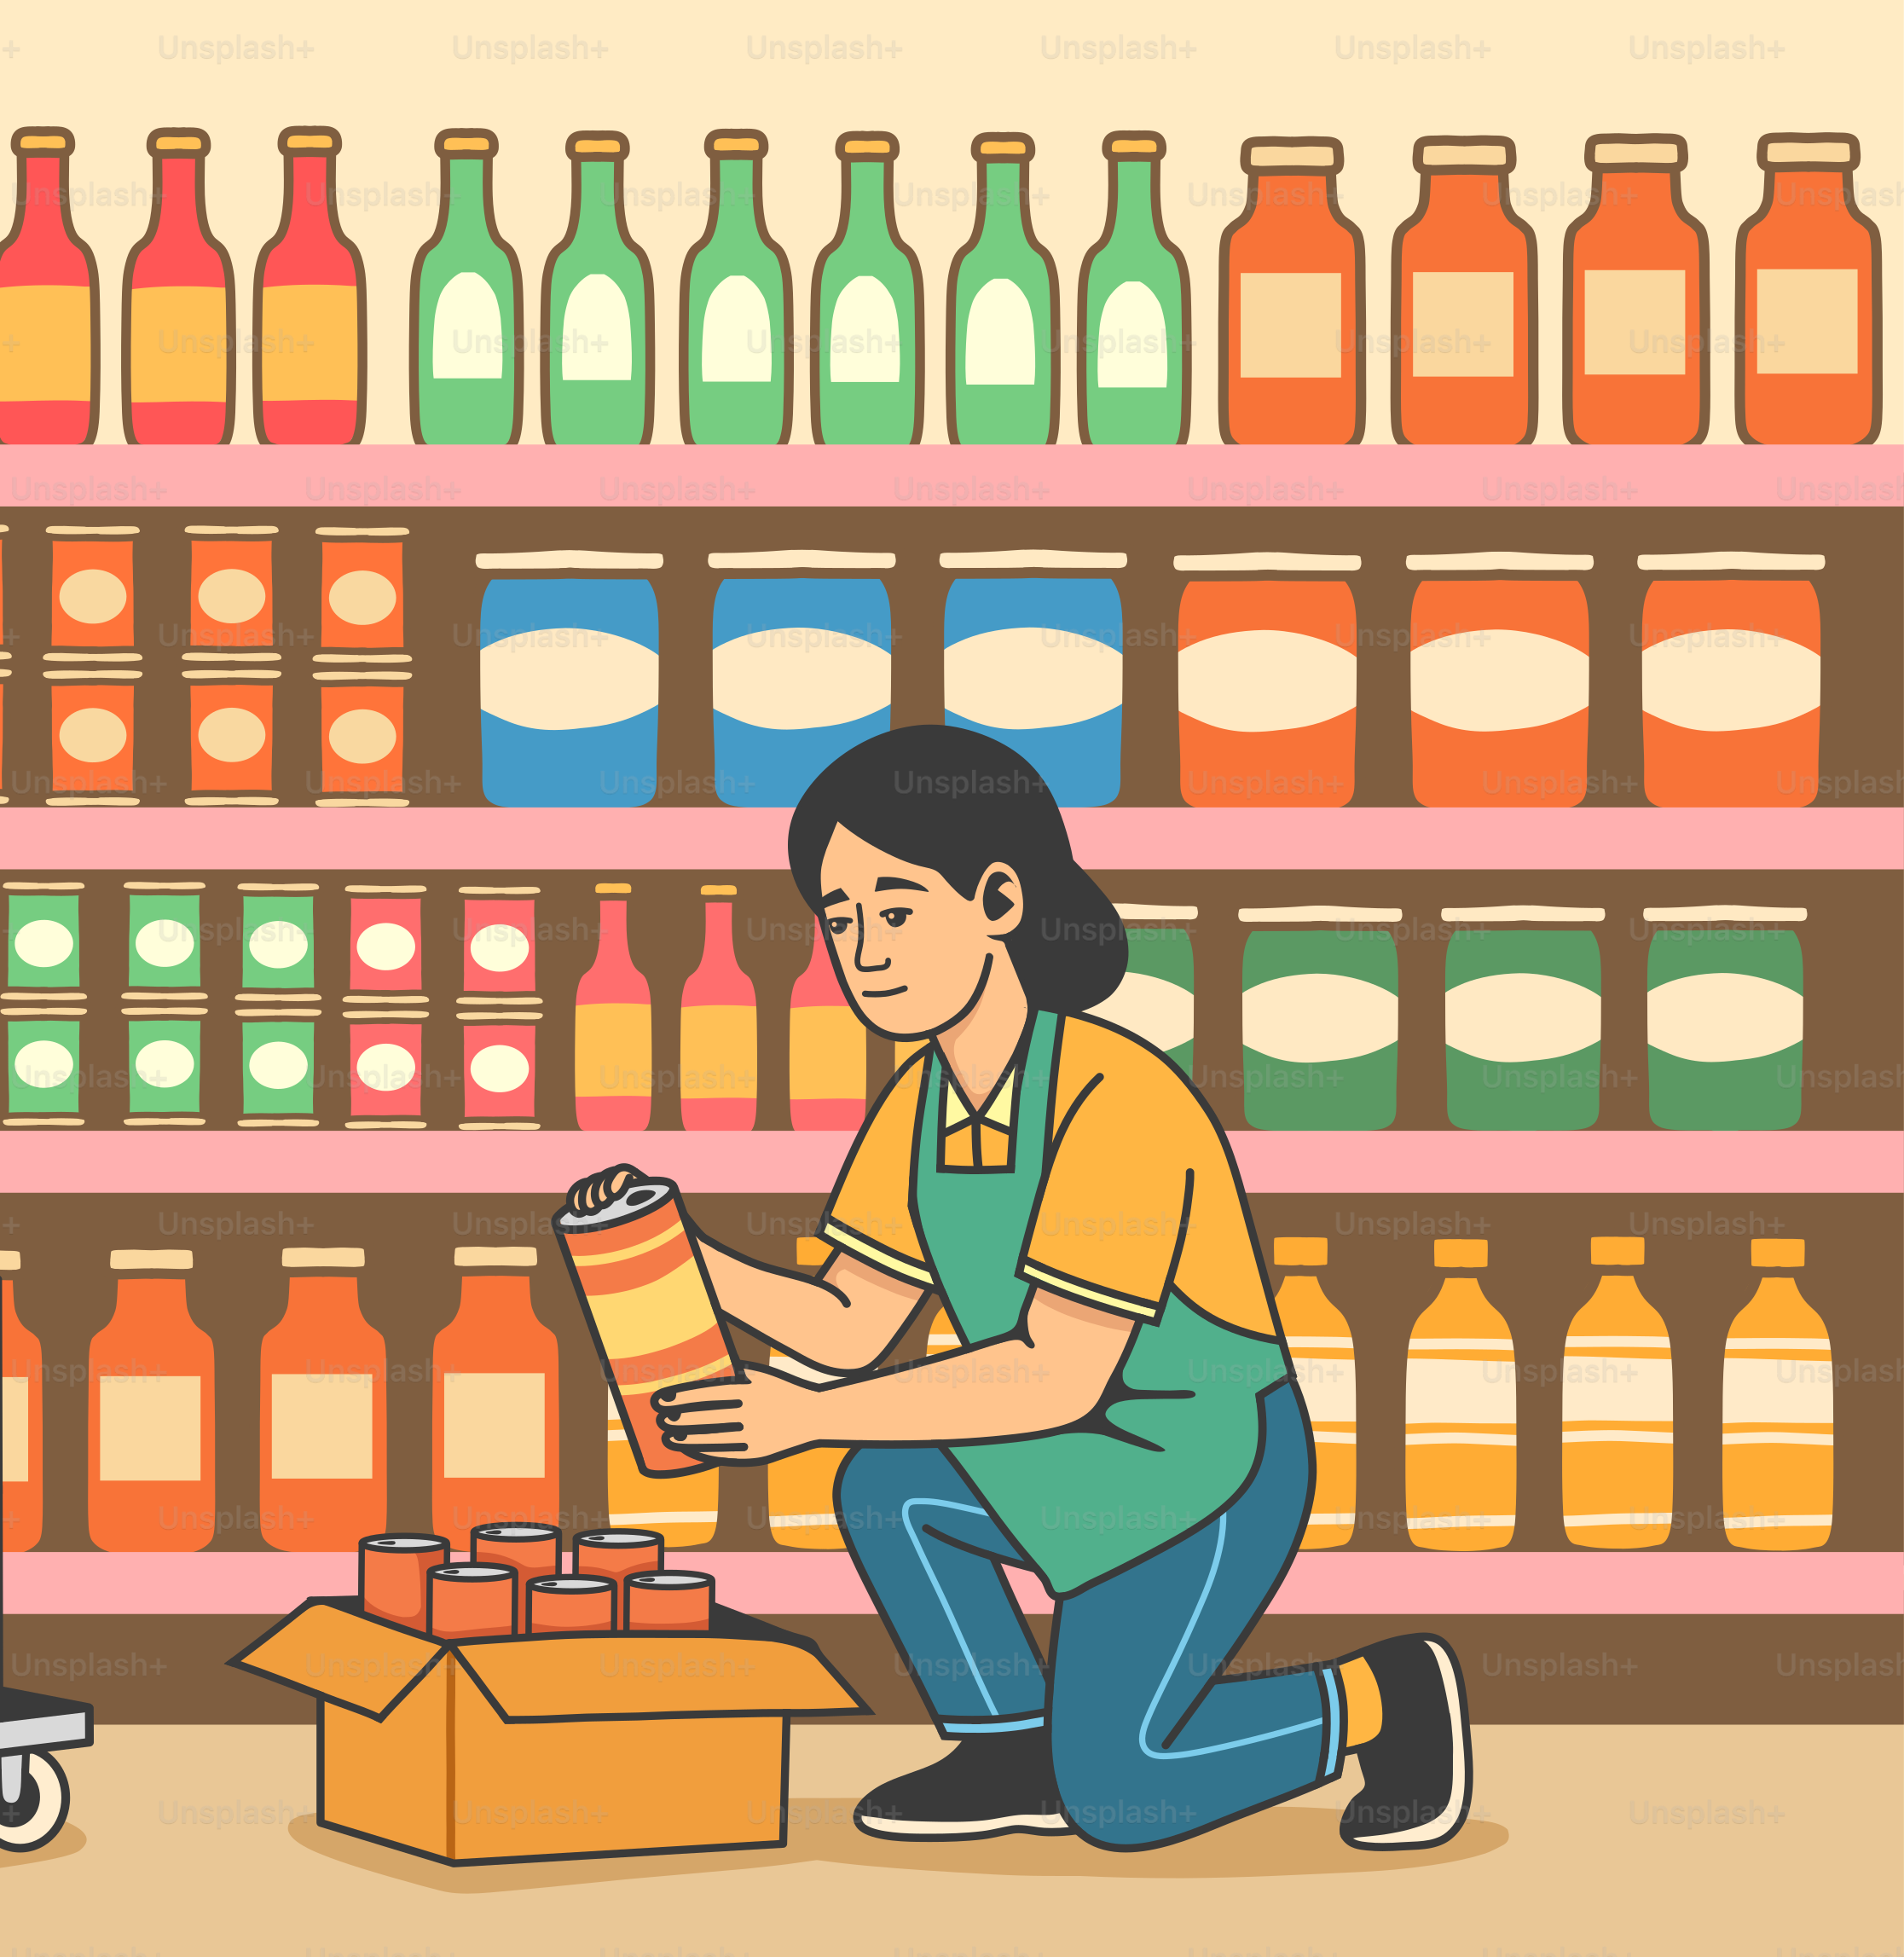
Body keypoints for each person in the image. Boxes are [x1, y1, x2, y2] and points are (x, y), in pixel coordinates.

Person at [585, 722, 1469, 1852]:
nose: (864, 950)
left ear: (999, 898)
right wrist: (688, 1259)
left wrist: (805, 1416)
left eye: (896, 910)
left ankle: (1387, 1696)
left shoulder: (1119, 1098)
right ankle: (1005, 1747)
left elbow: (1058, 1372)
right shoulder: (919, 1105)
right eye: (840, 919)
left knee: (1126, 1792)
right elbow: (851, 1322)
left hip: (1201, 1459)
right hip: (1064, 1441)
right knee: (888, 1488)